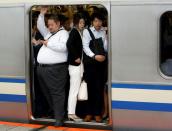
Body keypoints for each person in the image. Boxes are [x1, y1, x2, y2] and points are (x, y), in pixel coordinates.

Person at [36, 7, 69, 126]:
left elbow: (63, 47)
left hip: (56, 69)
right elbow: (40, 26)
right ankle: (57, 113)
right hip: (43, 69)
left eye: (51, 25)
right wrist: (41, 14)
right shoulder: (49, 33)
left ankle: (59, 120)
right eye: (48, 25)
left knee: (57, 94)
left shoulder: (64, 33)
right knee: (47, 92)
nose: (49, 27)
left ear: (58, 24)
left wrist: (47, 44)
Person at [82, 13, 108, 123]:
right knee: (90, 89)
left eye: (100, 21)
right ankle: (89, 113)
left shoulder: (103, 31)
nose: (98, 23)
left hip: (101, 64)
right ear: (92, 22)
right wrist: (94, 56)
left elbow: (105, 48)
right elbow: (85, 46)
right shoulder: (87, 31)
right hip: (90, 64)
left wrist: (107, 37)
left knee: (99, 89)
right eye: (96, 21)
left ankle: (97, 113)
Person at [67, 13, 85, 121]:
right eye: (81, 22)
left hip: (77, 65)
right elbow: (69, 44)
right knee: (73, 90)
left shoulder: (78, 32)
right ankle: (71, 113)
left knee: (74, 90)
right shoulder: (74, 32)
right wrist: (76, 57)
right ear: (76, 22)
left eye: (83, 22)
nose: (82, 24)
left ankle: (71, 112)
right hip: (75, 65)